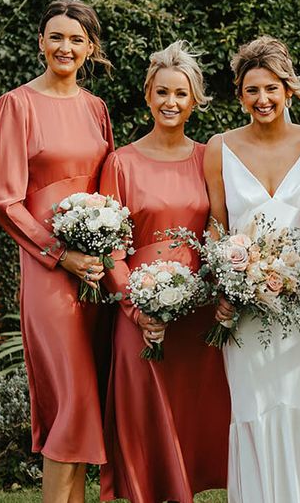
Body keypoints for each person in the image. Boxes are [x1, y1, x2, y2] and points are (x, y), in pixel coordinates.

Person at [203, 36, 300, 503]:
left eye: (271, 88)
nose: (262, 99)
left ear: (288, 89)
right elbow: (216, 225)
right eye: (251, 90)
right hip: (243, 296)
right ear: (239, 95)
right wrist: (222, 280)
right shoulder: (218, 147)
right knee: (251, 401)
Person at [0, 0, 114, 503]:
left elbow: (108, 183)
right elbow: (3, 197)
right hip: (50, 270)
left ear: (90, 49)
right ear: (41, 43)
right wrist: (60, 255)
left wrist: (105, 247)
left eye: (76, 39)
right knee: (72, 396)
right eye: (56, 36)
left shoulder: (95, 108)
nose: (66, 46)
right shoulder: (16, 105)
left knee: (93, 394)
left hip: (96, 270)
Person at [98, 41, 231, 503]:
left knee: (192, 419)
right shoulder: (121, 162)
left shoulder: (209, 157)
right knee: (144, 419)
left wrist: (217, 284)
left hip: (196, 310)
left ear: (194, 99)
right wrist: (135, 307)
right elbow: (111, 248)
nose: (170, 102)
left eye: (181, 93)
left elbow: (217, 226)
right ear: (147, 96)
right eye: (162, 93)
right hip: (140, 308)